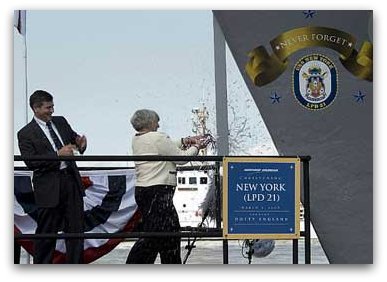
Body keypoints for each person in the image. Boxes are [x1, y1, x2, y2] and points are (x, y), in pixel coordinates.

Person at [126, 109, 207, 264]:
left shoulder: (138, 139)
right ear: (149, 122)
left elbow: (166, 146)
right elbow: (181, 158)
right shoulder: (157, 138)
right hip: (158, 192)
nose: (158, 124)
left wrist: (186, 141)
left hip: (145, 191)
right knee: (155, 235)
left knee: (167, 231)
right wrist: (197, 146)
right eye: (156, 121)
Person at [17, 90, 87, 264]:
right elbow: (31, 162)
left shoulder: (61, 122)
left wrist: (81, 144)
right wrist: (57, 155)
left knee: (76, 230)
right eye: (48, 107)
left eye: (52, 106)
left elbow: (74, 141)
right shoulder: (25, 133)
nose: (52, 111)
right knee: (47, 232)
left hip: (71, 182)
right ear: (36, 108)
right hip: (48, 187)